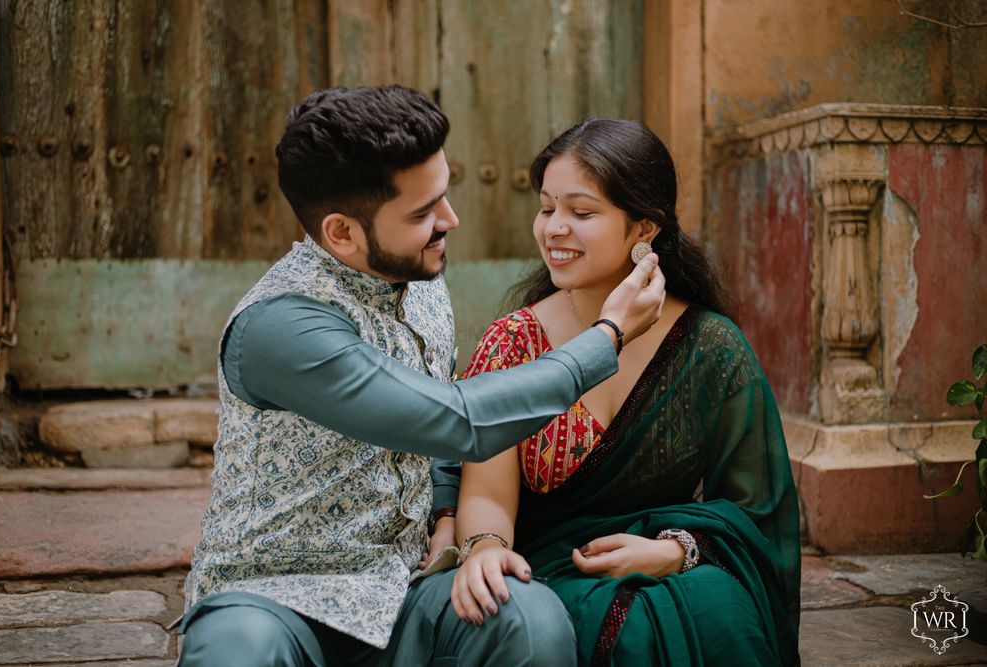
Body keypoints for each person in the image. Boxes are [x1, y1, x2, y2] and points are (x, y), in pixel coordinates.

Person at [176, 87, 665, 667]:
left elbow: (429, 419)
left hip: (407, 588)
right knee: (236, 656)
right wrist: (606, 337)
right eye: (421, 213)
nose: (450, 221)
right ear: (341, 233)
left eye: (444, 195)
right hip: (275, 600)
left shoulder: (425, 283)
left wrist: (446, 513)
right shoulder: (281, 328)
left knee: (529, 622)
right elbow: (452, 418)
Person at [451, 118, 801, 666]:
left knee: (722, 609)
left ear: (644, 229)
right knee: (624, 627)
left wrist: (673, 551)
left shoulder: (709, 346)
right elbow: (488, 493)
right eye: (547, 208)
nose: (554, 229)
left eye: (581, 212)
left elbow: (756, 508)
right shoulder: (513, 342)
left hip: (673, 562)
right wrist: (485, 549)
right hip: (551, 568)